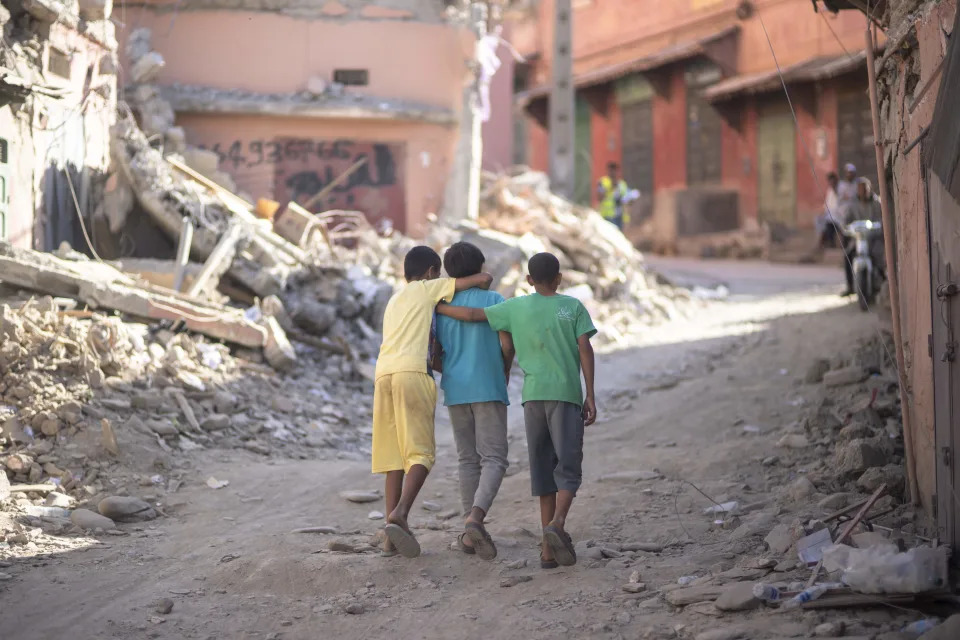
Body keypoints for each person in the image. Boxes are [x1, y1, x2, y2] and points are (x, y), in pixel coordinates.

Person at [437, 252, 597, 569]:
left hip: (532, 398)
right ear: (560, 278)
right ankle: (556, 526)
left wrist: (438, 306)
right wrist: (590, 393)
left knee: (541, 470)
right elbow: (584, 348)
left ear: (528, 280)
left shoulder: (515, 306)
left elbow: (472, 316)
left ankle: (546, 552)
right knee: (568, 466)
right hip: (564, 394)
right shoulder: (573, 306)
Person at [372, 245, 492, 559]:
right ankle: (399, 515)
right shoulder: (428, 289)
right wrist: (484, 277)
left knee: (395, 459)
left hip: (383, 375)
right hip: (413, 374)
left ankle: (390, 539)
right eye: (437, 273)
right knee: (421, 455)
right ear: (429, 273)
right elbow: (478, 280)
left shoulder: (394, 299)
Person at [434, 242, 513, 561]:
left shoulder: (441, 305)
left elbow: (435, 354)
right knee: (494, 457)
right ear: (480, 268)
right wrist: (503, 371)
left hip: (456, 388)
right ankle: (475, 519)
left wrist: (451, 369)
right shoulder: (494, 299)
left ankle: (469, 536)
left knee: (467, 459)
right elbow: (507, 345)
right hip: (488, 384)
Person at [841, 177, 883, 297]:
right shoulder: (853, 204)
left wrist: (879, 227)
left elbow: (882, 220)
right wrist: (847, 228)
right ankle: (850, 286)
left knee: (879, 257)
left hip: (874, 239)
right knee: (848, 255)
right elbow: (846, 220)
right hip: (858, 239)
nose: (863, 192)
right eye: (860, 189)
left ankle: (881, 282)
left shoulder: (876, 203)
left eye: (865, 189)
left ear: (869, 189)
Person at [597, 162, 630, 230]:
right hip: (607, 216)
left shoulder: (622, 184)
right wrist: (611, 188)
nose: (612, 173)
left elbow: (626, 200)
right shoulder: (603, 182)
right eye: (610, 171)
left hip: (619, 216)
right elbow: (599, 198)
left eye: (614, 171)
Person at [817, 172, 843, 249]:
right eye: (830, 181)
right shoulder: (830, 190)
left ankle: (830, 242)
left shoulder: (841, 187)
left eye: (832, 181)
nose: (831, 183)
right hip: (830, 214)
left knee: (831, 222)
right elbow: (827, 204)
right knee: (821, 220)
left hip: (840, 214)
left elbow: (840, 202)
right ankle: (826, 242)